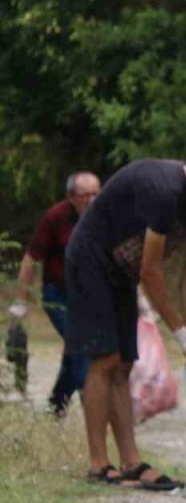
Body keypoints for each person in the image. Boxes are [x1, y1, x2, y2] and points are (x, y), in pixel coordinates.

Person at [66, 151, 186, 489]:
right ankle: (98, 464)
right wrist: (178, 331)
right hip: (90, 258)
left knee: (124, 363)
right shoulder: (164, 191)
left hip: (122, 269)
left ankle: (131, 463)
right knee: (104, 359)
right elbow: (151, 271)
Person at [9, 172, 100, 415]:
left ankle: (56, 407)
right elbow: (31, 258)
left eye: (96, 194)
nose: (92, 200)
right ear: (71, 197)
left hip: (88, 297)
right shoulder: (56, 217)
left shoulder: (104, 215)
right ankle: (89, 397)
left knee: (75, 349)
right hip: (57, 295)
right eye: (85, 195)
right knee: (80, 344)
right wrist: (21, 300)